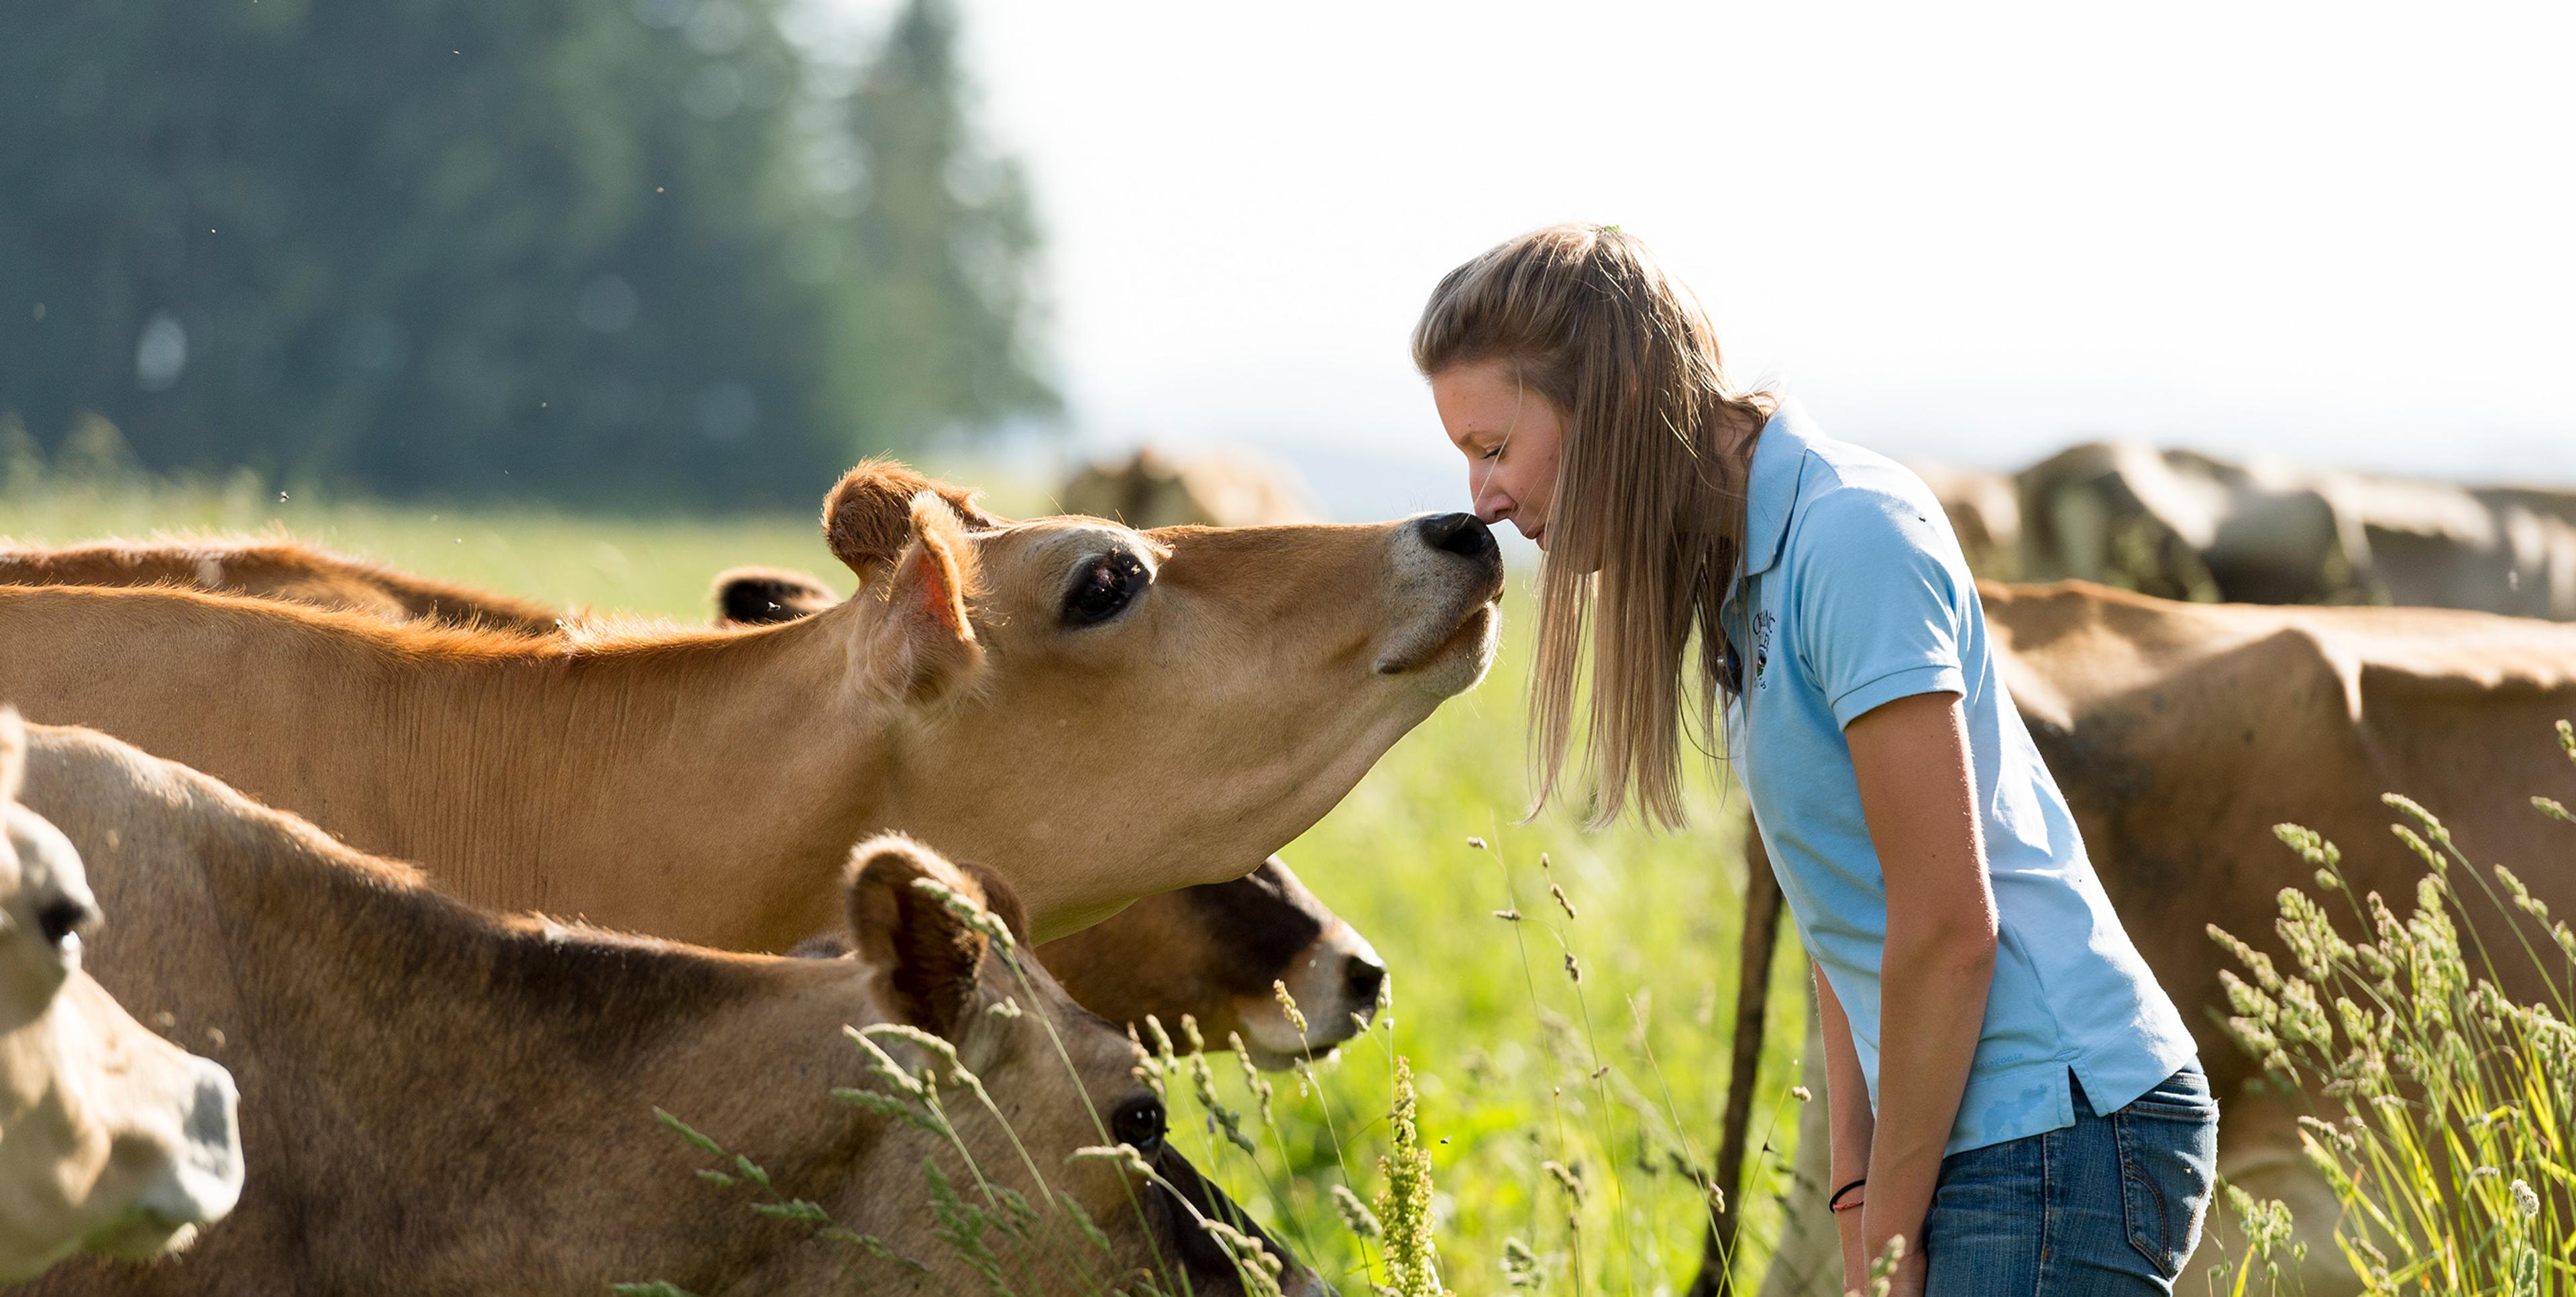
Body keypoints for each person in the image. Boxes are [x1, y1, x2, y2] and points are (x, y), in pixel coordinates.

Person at [1413, 223, 2216, 1296]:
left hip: (2058, 1128)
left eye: (1495, 448)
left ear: (1602, 404)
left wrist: (1888, 1223)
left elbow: (1947, 927)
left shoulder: (1851, 537)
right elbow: (1843, 905)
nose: (1483, 500)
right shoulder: (1740, 568)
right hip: (1974, 1133)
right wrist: (1852, 1195)